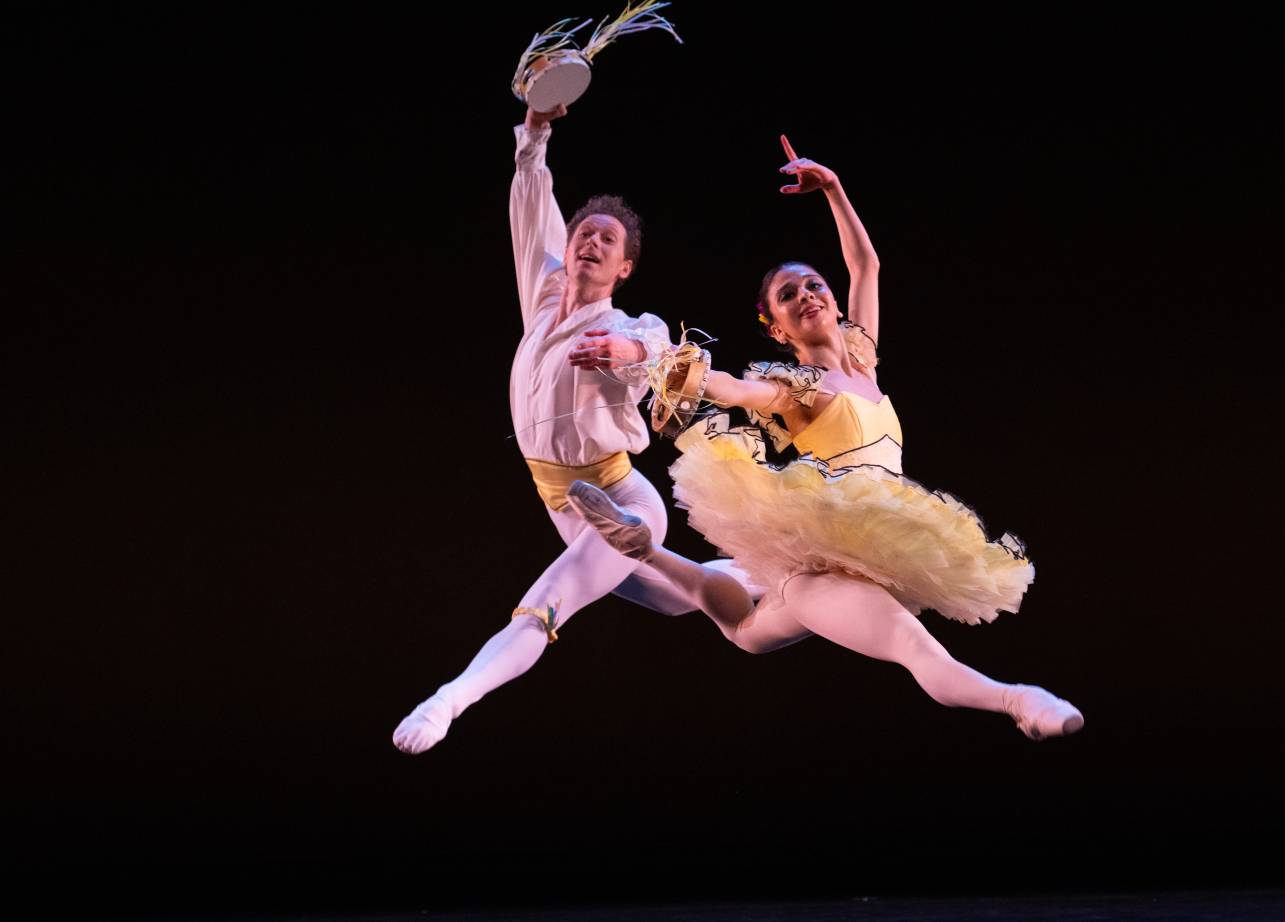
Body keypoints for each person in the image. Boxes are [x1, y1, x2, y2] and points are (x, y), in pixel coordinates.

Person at [567, 136, 1083, 740]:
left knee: (747, 634)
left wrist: (834, 189)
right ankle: (1018, 700)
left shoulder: (863, 362)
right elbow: (734, 389)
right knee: (880, 645)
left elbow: (867, 266)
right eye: (789, 296)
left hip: (869, 543)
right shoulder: (798, 388)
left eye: (813, 286)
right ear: (776, 327)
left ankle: (639, 550)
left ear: (832, 302)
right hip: (824, 549)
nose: (807, 296)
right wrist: (661, 362)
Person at [392, 103, 747, 754]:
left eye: (607, 240)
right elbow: (531, 197)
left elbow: (660, 351)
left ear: (625, 269)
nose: (590, 240)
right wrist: (535, 129)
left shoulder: (625, 325)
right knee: (673, 599)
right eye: (584, 231)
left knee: (548, 601)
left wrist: (630, 356)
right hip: (562, 503)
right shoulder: (544, 292)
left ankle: (450, 700)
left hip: (620, 498)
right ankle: (769, 573)